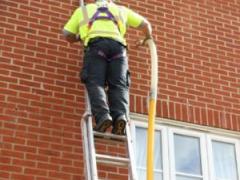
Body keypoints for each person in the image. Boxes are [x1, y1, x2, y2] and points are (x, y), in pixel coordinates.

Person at [63, 0, 152, 135]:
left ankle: (103, 116)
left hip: (96, 47)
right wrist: (146, 39)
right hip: (119, 50)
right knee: (119, 85)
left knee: (95, 82)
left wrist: (80, 37)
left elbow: (67, 34)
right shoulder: (121, 10)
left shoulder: (84, 10)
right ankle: (120, 117)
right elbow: (146, 24)